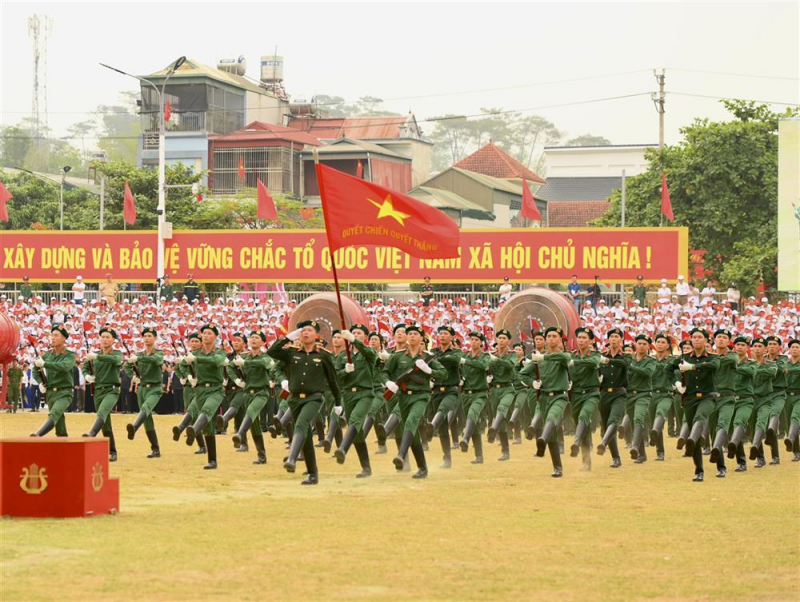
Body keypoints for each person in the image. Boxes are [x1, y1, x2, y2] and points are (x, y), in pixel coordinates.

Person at [268, 320, 341, 485]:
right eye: (303, 331)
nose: (305, 333)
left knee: (300, 425)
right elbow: (272, 351)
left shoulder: (323, 355)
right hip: (294, 399)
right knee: (306, 436)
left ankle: (292, 459)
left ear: (316, 335)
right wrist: (288, 337)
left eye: (309, 330)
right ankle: (313, 474)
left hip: (314, 398)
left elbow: (332, 380)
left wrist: (337, 403)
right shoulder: (291, 352)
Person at [381, 324, 445, 479]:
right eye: (409, 334)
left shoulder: (427, 357)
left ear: (422, 338)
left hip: (421, 396)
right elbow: (383, 372)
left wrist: (429, 371)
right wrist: (388, 383)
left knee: (411, 422)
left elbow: (444, 374)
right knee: (413, 432)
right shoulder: (398, 356)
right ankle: (422, 468)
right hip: (403, 397)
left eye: (415, 334)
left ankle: (401, 455)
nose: (411, 336)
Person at [520, 326, 571, 477]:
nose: (551, 339)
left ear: (560, 339)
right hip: (543, 397)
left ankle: (542, 438)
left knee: (552, 417)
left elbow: (565, 359)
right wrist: (532, 383)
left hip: (559, 396)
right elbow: (522, 374)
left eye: (554, 336)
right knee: (553, 436)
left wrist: (543, 357)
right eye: (548, 336)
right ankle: (557, 468)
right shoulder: (538, 358)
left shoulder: (563, 356)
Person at [670, 328, 719, 482]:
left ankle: (690, 439)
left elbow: (713, 366)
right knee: (695, 436)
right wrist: (676, 383)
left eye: (700, 337)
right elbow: (667, 369)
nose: (696, 340)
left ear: (706, 340)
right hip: (689, 398)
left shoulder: (712, 357)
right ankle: (699, 470)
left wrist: (692, 367)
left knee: (701, 417)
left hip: (707, 397)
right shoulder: (683, 357)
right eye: (694, 337)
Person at [333, 323, 377, 477]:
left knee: (355, 419)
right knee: (357, 432)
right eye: (353, 333)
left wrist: (354, 340)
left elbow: (370, 352)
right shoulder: (344, 355)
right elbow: (335, 376)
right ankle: (366, 468)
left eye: (359, 333)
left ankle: (343, 449)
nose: (356, 335)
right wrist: (344, 371)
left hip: (364, 393)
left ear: (365, 337)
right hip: (348, 394)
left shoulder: (368, 352)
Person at [184, 325, 228, 470]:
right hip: (200, 390)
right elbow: (186, 367)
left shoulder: (220, 352)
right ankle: (212, 460)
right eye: (204, 333)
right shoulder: (197, 352)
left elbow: (217, 361)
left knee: (207, 410)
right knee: (208, 427)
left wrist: (197, 359)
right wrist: (189, 376)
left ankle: (194, 430)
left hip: (215, 389)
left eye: (209, 333)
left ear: (215, 337)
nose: (206, 336)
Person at [231, 330, 275, 465]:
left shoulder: (266, 357)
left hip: (261, 393)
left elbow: (264, 364)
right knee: (254, 426)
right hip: (247, 393)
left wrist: (245, 364)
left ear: (263, 342)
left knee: (251, 411)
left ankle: (240, 434)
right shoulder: (244, 357)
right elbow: (230, 367)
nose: (253, 340)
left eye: (256, 338)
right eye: (251, 337)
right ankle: (262, 456)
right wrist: (237, 380)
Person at [81, 327, 123, 462]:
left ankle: (91, 434)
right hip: (98, 390)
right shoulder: (94, 356)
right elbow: (85, 367)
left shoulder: (116, 354)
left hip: (112, 390)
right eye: (103, 337)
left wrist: (97, 356)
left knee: (103, 411)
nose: (104, 339)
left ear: (113, 340)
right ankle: (112, 451)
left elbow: (116, 361)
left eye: (108, 337)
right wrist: (87, 375)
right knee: (106, 423)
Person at [124, 327, 164, 459]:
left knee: (146, 408)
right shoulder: (139, 355)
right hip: (142, 388)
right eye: (145, 336)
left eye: (150, 336)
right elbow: (127, 366)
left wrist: (138, 359)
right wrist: (133, 377)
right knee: (147, 418)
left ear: (155, 338)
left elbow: (156, 360)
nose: (147, 338)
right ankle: (155, 449)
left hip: (155, 388)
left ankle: (135, 426)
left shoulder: (159, 353)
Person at [31, 326, 77, 437]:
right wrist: (40, 382)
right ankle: (64, 448)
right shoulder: (47, 355)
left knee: (54, 414)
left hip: (64, 392)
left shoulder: (70, 355)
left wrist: (45, 364)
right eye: (52, 335)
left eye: (56, 335)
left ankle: (38, 435)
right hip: (51, 393)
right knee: (59, 424)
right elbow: (35, 369)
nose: (52, 338)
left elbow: (64, 367)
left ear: (64, 339)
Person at [596, 328, 627, 468]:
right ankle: (616, 458)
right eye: (611, 336)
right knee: (606, 424)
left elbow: (625, 364)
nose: (614, 339)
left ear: (620, 340)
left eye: (616, 336)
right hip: (604, 393)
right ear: (608, 339)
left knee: (613, 420)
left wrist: (608, 361)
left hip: (619, 393)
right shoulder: (600, 356)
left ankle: (603, 443)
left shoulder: (625, 356)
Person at [458, 331, 490, 464]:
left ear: (481, 342)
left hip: (480, 393)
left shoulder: (485, 356)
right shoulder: (464, 356)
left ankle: (465, 438)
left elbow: (483, 366)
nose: (474, 342)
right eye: (472, 339)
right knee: (474, 424)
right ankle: (479, 456)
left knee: (473, 414)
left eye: (477, 340)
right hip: (466, 394)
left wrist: (467, 361)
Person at [486, 329, 517, 461]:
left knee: (502, 408)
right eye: (499, 338)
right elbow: (486, 369)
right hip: (494, 390)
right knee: (500, 420)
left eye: (504, 338)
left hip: (507, 389)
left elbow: (510, 365)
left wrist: (497, 360)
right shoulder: (491, 354)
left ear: (509, 341)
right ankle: (505, 451)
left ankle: (493, 428)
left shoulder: (512, 354)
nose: (501, 340)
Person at [627, 335, 656, 463]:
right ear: (635, 344)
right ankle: (642, 455)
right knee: (635, 424)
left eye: (645, 344)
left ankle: (634, 446)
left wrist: (630, 367)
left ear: (648, 346)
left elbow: (647, 373)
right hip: (629, 395)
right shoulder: (629, 359)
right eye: (640, 343)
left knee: (638, 418)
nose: (642, 346)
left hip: (643, 394)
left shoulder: (651, 360)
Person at [783, 339, 800, 460]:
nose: (794, 349)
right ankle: (796, 451)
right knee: (790, 422)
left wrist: (790, 370)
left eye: (797, 347)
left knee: (795, 416)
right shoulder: (785, 363)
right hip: (787, 396)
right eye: (792, 347)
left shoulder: (789, 367)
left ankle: (790, 438)